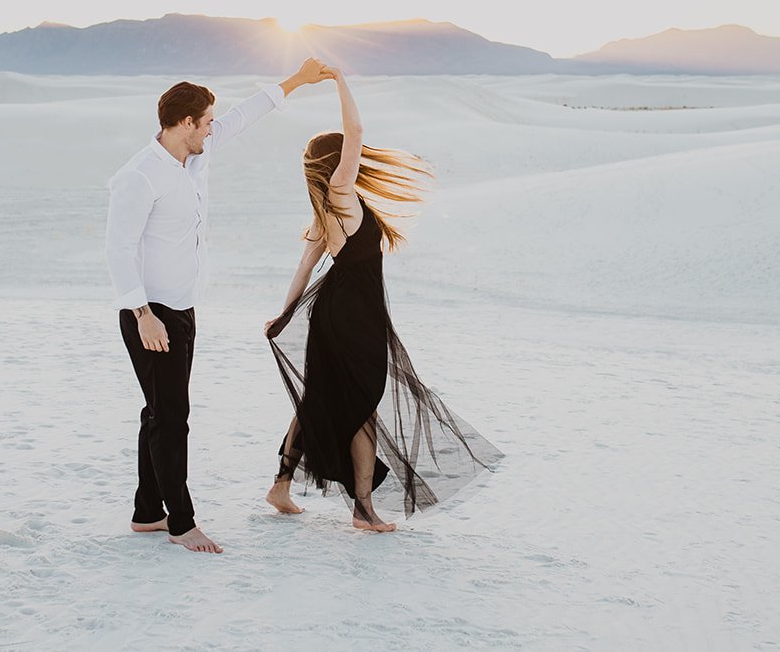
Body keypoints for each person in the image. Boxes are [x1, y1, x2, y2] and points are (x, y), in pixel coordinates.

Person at [106, 59, 330, 554]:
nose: (213, 128)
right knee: (172, 416)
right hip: (151, 313)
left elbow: (245, 117)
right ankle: (181, 523)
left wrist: (297, 80)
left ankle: (148, 512)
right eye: (207, 121)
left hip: (182, 308)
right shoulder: (140, 176)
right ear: (185, 123)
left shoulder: (194, 157)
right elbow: (118, 249)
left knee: (159, 412)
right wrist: (144, 316)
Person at [264, 66, 501, 531]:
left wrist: (286, 313)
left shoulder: (325, 208)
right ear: (339, 163)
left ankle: (282, 485)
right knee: (364, 407)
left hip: (335, 314)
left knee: (320, 400)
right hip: (354, 318)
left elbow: (305, 267)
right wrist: (337, 79)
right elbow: (356, 130)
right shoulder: (341, 193)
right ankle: (363, 511)